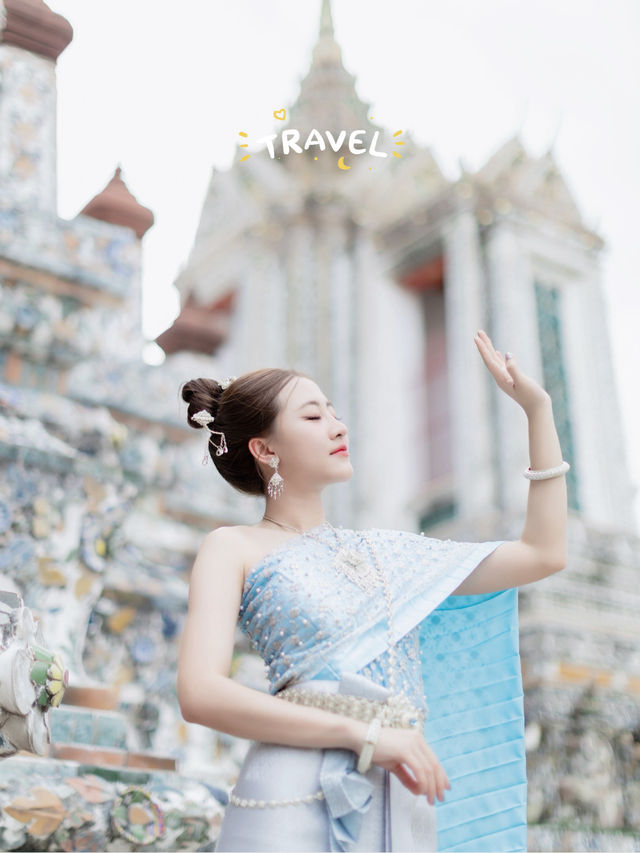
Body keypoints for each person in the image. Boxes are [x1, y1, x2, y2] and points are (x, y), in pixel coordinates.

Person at [177, 330, 568, 852]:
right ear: (265, 448)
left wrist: (537, 411)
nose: (338, 426)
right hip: (293, 797)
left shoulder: (389, 554)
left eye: (333, 412)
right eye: (313, 417)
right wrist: (363, 733)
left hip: (398, 793)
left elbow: (543, 553)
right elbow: (200, 693)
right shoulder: (232, 547)